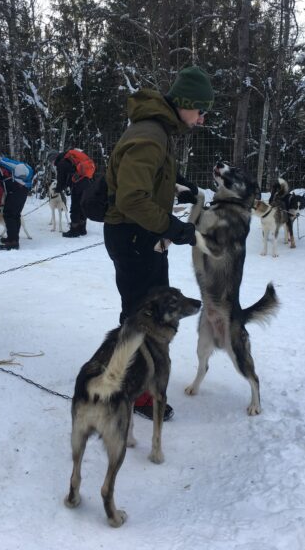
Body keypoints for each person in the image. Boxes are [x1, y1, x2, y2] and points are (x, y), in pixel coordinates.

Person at [104, 66, 214, 421]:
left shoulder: (159, 130)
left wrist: (177, 182)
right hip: (135, 236)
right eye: (200, 110)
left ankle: (128, 379)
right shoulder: (151, 134)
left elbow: (149, 175)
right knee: (142, 316)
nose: (201, 118)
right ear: (184, 104)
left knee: (145, 311)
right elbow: (132, 198)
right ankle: (133, 392)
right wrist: (175, 228)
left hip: (144, 235)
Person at [47, 148, 96, 238]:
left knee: (75, 206)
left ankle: (74, 230)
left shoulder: (61, 163)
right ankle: (82, 229)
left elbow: (61, 180)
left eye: (51, 161)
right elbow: (69, 176)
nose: (52, 163)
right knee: (81, 205)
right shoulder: (68, 158)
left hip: (78, 183)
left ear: (53, 159)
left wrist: (57, 190)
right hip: (87, 181)